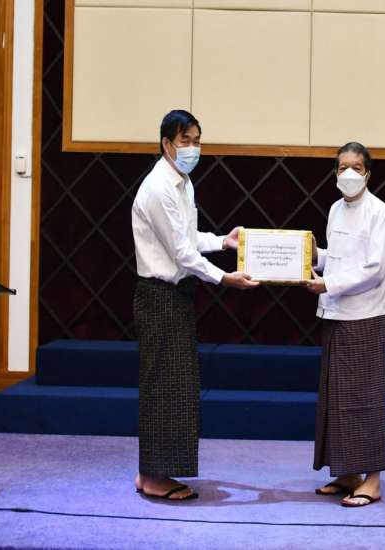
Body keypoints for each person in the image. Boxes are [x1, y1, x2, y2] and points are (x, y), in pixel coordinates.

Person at [131, 109, 258, 501]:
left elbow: (189, 237)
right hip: (159, 296)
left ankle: (154, 472)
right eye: (185, 140)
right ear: (166, 143)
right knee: (163, 387)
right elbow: (182, 253)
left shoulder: (182, 183)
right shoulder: (158, 187)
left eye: (197, 140)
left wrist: (223, 241)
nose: (192, 148)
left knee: (176, 387)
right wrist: (225, 278)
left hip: (176, 296)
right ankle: (154, 477)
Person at [305, 142, 385, 507]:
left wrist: (328, 283)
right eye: (342, 166)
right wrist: (313, 256)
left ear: (368, 174)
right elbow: (338, 258)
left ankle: (372, 480)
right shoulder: (335, 209)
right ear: (334, 173)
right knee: (335, 397)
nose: (348, 173)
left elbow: (374, 269)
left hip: (364, 316)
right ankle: (346, 473)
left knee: (363, 398)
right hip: (334, 313)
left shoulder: (380, 213)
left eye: (356, 167)